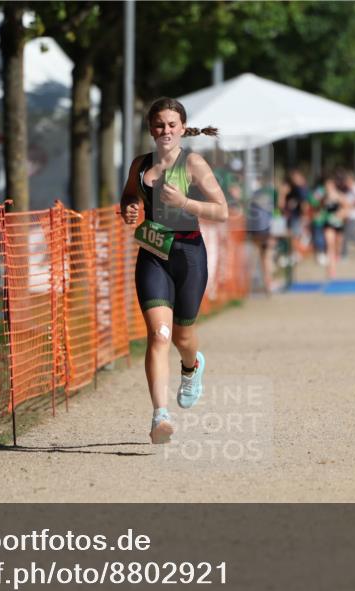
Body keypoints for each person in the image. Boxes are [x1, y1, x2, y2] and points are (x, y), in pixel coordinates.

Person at [120, 98, 229, 444]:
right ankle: (159, 416)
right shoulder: (140, 165)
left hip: (188, 255)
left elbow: (222, 210)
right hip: (153, 253)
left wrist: (185, 203)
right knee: (159, 336)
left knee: (182, 338)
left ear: (182, 127)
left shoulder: (193, 163)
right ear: (150, 128)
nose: (164, 131)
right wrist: (129, 208)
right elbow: (127, 197)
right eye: (158, 125)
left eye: (171, 124)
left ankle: (191, 365)